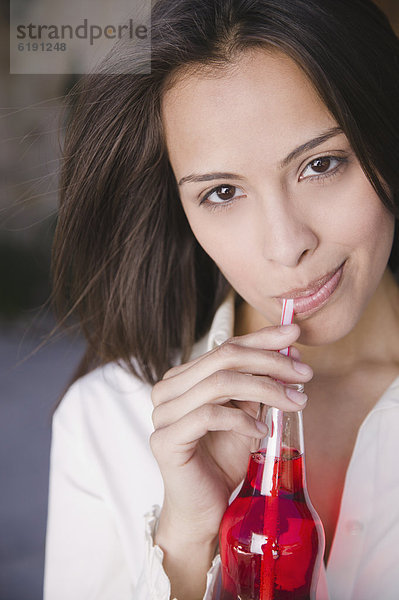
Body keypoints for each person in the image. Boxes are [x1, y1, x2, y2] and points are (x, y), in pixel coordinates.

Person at [43, 0, 399, 598]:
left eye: (321, 164)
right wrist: (186, 544)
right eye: (224, 192)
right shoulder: (106, 423)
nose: (287, 247)